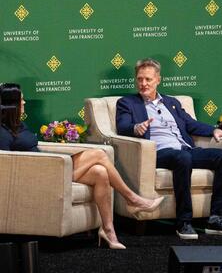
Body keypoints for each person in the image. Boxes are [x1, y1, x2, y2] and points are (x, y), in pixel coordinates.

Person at [0, 83, 164, 249]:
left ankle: (108, 230)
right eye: (21, 100)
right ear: (12, 104)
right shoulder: (2, 132)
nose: (24, 103)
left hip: (49, 171)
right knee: (99, 154)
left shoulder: (18, 125)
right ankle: (132, 199)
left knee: (100, 172)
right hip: (39, 177)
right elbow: (5, 165)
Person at [116, 58, 222, 239]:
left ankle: (217, 218)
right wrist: (136, 128)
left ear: (158, 79)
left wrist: (214, 130)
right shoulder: (127, 103)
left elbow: (190, 124)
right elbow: (123, 126)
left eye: (148, 79)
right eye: (140, 79)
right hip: (158, 153)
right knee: (183, 158)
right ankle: (184, 221)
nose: (143, 84)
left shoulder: (171, 102)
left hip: (185, 149)